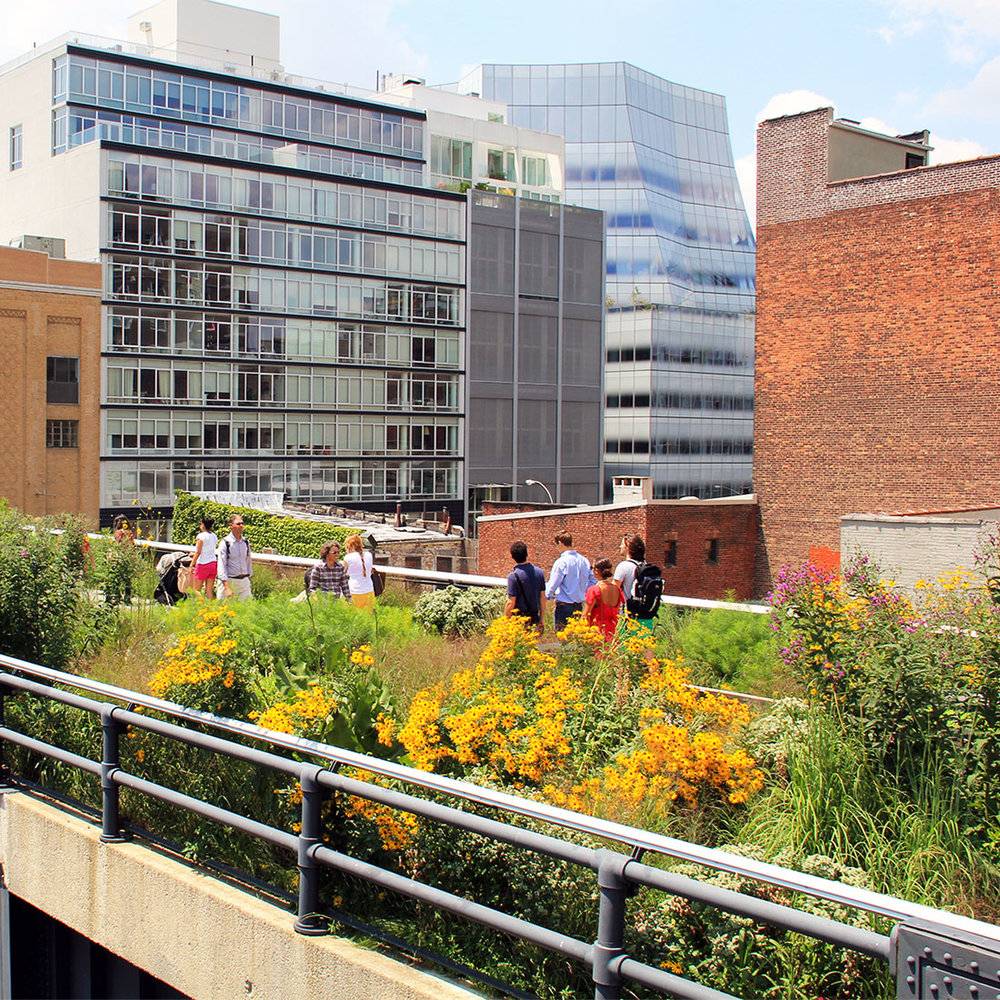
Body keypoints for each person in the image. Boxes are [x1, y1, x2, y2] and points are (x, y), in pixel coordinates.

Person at [545, 532, 596, 633]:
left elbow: (553, 585)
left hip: (564, 606)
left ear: (560, 543)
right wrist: (583, 592)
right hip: (579, 605)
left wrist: (545, 598)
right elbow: (593, 579)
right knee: (576, 639)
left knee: (562, 639)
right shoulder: (584, 560)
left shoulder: (561, 562)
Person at [505, 540, 546, 633]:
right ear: (527, 554)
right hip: (534, 616)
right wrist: (542, 620)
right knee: (534, 645)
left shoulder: (513, 576)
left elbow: (511, 602)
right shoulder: (539, 573)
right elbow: (543, 598)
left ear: (512, 557)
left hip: (519, 620)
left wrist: (505, 623)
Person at [585, 558, 624, 642]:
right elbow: (617, 613)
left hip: (597, 632)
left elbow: (586, 615)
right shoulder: (617, 589)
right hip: (612, 632)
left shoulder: (594, 590)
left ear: (596, 571)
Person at [216, 513, 252, 600]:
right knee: (224, 610)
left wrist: (248, 579)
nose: (241, 526)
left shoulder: (246, 542)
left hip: (244, 581)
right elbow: (221, 565)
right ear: (231, 525)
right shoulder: (225, 543)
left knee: (247, 609)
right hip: (230, 580)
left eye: (242, 523)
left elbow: (248, 561)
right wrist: (227, 587)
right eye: (238, 524)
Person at [342, 534, 375, 610]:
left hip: (354, 591)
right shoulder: (369, 555)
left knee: (352, 616)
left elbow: (342, 573)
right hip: (369, 590)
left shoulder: (348, 557)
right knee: (367, 617)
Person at [192, 514, 218, 600]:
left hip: (203, 564)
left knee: (196, 590)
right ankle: (210, 608)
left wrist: (192, 564)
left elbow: (198, 552)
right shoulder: (214, 536)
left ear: (203, 525)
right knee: (209, 590)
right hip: (213, 563)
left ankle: (201, 606)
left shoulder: (201, 536)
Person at [614, 534, 645, 602]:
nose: (620, 546)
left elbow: (613, 590)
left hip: (628, 609)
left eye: (622, 544)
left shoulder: (623, 566)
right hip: (644, 609)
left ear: (628, 547)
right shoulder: (645, 565)